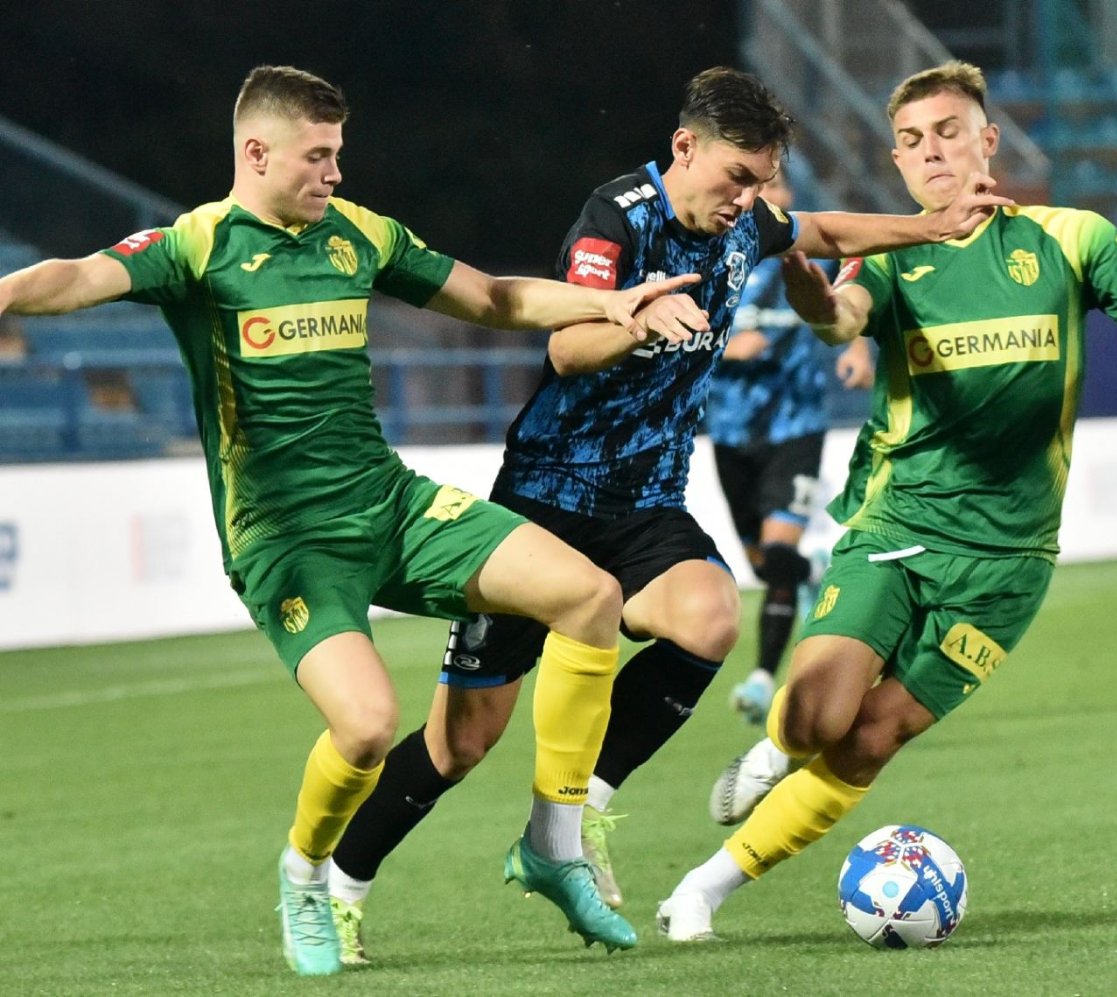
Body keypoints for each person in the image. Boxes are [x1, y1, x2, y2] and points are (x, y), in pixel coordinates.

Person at [0, 64, 705, 976]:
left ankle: (554, 842)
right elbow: (77, 277)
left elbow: (493, 297)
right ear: (257, 152)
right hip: (288, 541)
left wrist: (608, 302)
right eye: (318, 156)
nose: (335, 172)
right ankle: (305, 873)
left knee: (589, 594)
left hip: (392, 504)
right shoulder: (197, 246)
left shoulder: (357, 233)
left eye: (338, 153)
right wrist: (7, 293)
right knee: (368, 727)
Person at [325, 64, 1013, 964]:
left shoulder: (745, 225)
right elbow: (567, 350)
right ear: (684, 147)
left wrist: (928, 225)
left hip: (646, 504)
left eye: (760, 182)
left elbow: (823, 228)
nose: (747, 200)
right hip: (546, 501)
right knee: (462, 741)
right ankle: (340, 889)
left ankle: (577, 817)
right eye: (736, 178)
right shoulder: (618, 217)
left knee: (708, 615)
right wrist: (640, 320)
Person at [656, 59, 1117, 942]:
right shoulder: (892, 253)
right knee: (817, 716)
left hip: (1008, 563)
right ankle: (776, 745)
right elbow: (842, 317)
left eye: (946, 131)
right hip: (900, 525)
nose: (930, 151)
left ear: (987, 140)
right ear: (897, 163)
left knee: (870, 737)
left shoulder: (1069, 238)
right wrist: (814, 299)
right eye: (910, 141)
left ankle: (702, 888)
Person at [706, 163, 874, 727]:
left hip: (795, 425)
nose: (765, 196)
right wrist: (717, 346)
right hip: (730, 431)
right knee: (764, 564)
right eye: (756, 188)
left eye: (775, 187)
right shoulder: (715, 256)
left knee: (777, 555)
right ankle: (810, 571)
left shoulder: (807, 256)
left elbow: (852, 294)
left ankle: (761, 680)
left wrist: (858, 348)